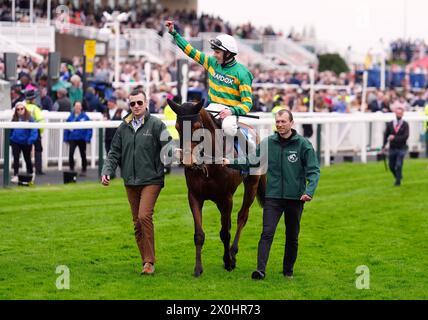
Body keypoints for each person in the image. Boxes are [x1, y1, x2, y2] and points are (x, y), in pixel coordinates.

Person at [223, 109, 320, 280]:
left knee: (292, 236)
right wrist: (231, 162)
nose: (280, 125)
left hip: (295, 198)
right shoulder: (268, 143)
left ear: (291, 123)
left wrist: (309, 191)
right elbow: (252, 160)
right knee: (267, 233)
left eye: (283, 122)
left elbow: (313, 171)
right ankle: (260, 270)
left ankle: (288, 270)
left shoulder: (303, 145)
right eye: (278, 122)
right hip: (273, 197)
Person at [101, 89, 170, 275]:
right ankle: (146, 261)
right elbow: (114, 152)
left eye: (140, 103)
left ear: (146, 104)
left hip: (152, 179)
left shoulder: (156, 124)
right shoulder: (124, 127)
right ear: (129, 105)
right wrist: (107, 171)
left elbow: (168, 145)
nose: (136, 106)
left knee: (143, 216)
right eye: (133, 104)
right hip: (130, 181)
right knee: (137, 223)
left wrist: (173, 153)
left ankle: (149, 261)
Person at [165, 20, 253, 141]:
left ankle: (248, 147)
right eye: (214, 52)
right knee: (194, 122)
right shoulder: (211, 62)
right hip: (212, 107)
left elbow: (247, 103)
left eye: (217, 52)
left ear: (228, 53)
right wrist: (174, 34)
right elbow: (190, 51)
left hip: (230, 112)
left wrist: (231, 111)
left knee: (227, 128)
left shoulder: (242, 73)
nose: (214, 55)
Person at [9, 101, 38, 183]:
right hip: (15, 142)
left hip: (26, 142)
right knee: (16, 158)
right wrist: (11, 139)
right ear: (16, 110)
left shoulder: (30, 118)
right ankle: (16, 175)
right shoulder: (14, 119)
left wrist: (30, 140)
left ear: (25, 109)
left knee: (27, 159)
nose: (20, 111)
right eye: (18, 109)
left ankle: (31, 173)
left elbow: (34, 130)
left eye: (21, 109)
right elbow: (10, 130)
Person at [382, 107, 409, 186]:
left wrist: (394, 138)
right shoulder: (390, 124)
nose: (399, 115)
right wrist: (383, 146)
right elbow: (386, 135)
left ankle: (397, 182)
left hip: (401, 148)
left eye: (400, 113)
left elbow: (405, 137)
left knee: (399, 164)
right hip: (392, 148)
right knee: (391, 166)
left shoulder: (405, 124)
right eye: (397, 113)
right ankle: (398, 176)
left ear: (403, 114)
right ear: (395, 114)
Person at [64, 101, 92, 176]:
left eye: (79, 106)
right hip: (72, 138)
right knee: (71, 153)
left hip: (82, 138)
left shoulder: (85, 117)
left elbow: (89, 128)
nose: (77, 108)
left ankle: (84, 169)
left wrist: (87, 138)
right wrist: (65, 138)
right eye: (76, 106)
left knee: (83, 154)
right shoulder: (71, 116)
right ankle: (71, 169)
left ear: (81, 107)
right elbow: (66, 128)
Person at [24, 89, 45, 175]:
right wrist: (40, 132)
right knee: (38, 150)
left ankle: (29, 170)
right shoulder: (35, 108)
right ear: (32, 99)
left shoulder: (23, 107)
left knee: (27, 151)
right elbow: (40, 120)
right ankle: (38, 170)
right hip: (36, 131)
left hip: (25, 132)